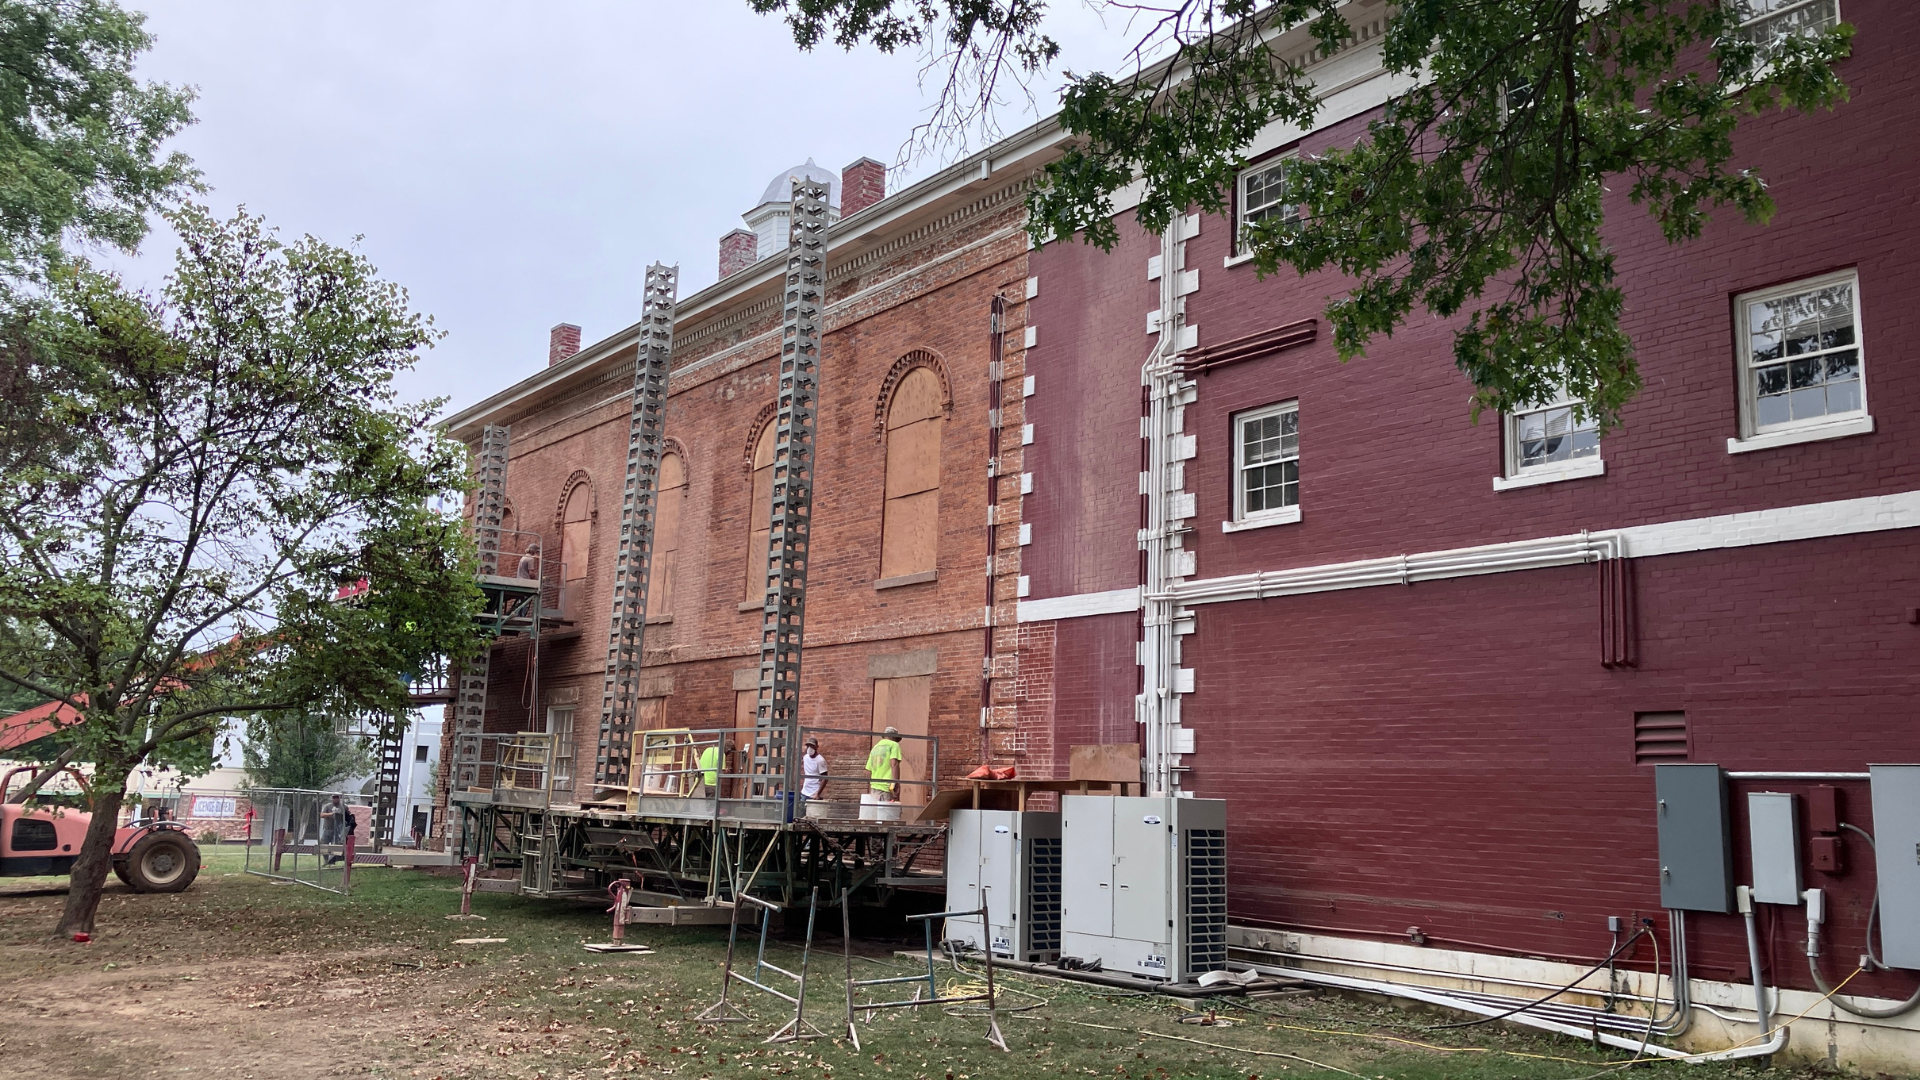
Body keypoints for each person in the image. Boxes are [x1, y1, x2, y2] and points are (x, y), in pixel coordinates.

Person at [865, 726, 904, 802]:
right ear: (894, 737)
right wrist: (895, 784)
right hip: (886, 788)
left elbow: (868, 771)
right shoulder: (894, 745)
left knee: (877, 813)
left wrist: (874, 784)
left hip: (874, 789)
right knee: (887, 812)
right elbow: (894, 764)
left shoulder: (875, 747)